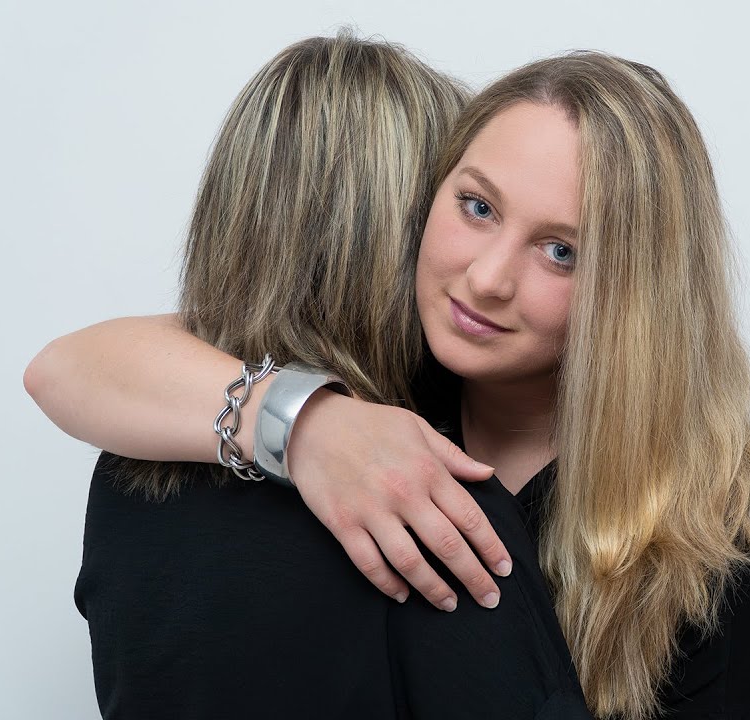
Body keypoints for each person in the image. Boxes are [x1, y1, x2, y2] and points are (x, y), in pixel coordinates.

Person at [28, 43, 750, 719]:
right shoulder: (397, 388)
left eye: (562, 251)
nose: (487, 279)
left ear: (634, 298)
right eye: (477, 207)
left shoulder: (719, 551)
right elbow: (70, 367)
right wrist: (309, 426)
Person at [54, 32, 592, 719]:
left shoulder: (129, 475)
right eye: (472, 208)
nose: (481, 273)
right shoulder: (430, 507)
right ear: (401, 235)